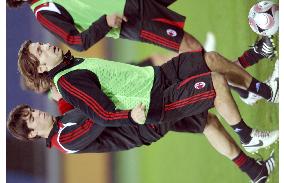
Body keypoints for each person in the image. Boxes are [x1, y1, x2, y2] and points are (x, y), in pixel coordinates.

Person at [17, 41, 278, 153]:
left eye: (39, 45)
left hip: (155, 78)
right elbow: (102, 114)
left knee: (209, 59)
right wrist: (130, 115)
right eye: (40, 51)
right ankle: (249, 137)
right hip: (154, 103)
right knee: (216, 86)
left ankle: (269, 91)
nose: (45, 45)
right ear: (41, 68)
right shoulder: (68, 82)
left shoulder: (70, 66)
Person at [7, 102, 276, 183]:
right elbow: (101, 116)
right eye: (31, 120)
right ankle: (260, 91)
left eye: (31, 111)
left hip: (142, 121)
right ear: (32, 135)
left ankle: (255, 172)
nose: (36, 114)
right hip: (145, 124)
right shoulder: (64, 140)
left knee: (208, 122)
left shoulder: (62, 120)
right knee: (207, 86)